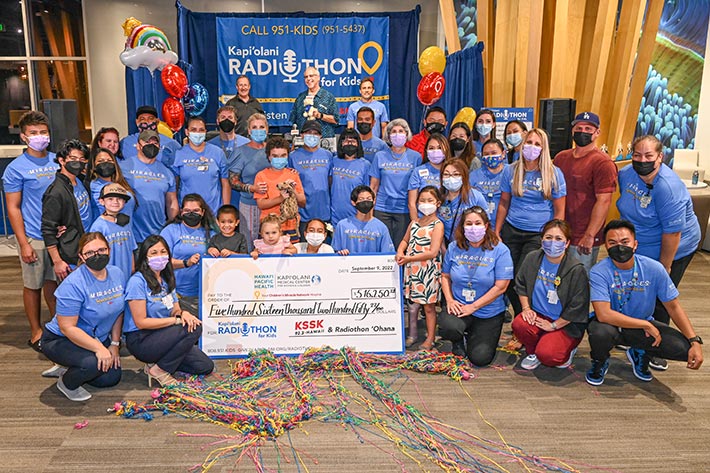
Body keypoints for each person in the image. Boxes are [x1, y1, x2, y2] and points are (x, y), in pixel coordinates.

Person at [617, 134, 701, 371]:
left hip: (673, 247)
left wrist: (664, 266)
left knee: (660, 298)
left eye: (648, 156)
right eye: (637, 155)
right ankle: (633, 334)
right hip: (640, 244)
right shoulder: (627, 174)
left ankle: (654, 348)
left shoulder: (668, 187)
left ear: (660, 157)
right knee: (636, 290)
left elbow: (672, 234)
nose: (642, 160)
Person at [585, 220, 703, 386]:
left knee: (682, 348)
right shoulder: (599, 271)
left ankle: (640, 353)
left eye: (625, 242)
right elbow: (604, 314)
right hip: (611, 324)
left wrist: (694, 341)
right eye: (612, 243)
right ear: (606, 246)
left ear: (635, 245)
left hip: (642, 325)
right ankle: (600, 361)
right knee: (599, 333)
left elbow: (674, 306)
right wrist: (645, 325)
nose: (620, 247)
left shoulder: (654, 269)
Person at [40, 232, 124, 401]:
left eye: (102, 250)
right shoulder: (73, 284)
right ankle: (66, 383)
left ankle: (70, 365)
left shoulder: (117, 273)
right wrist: (99, 348)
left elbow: (118, 311)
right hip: (60, 339)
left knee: (110, 377)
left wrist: (114, 344)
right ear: (81, 256)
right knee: (92, 365)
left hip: (96, 336)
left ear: (109, 250)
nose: (97, 255)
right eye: (90, 253)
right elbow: (67, 327)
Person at [124, 235, 214, 387]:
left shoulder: (166, 279)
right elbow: (141, 322)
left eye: (163, 252)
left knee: (204, 366)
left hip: (164, 335)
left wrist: (183, 314)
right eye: (154, 253)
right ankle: (160, 370)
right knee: (194, 328)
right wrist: (176, 321)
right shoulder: (137, 282)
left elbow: (175, 309)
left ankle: (157, 363)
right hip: (141, 339)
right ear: (145, 257)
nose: (159, 256)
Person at [2, 111, 58, 351]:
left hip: (58, 236)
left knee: (54, 284)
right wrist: (23, 243)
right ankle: (36, 330)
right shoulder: (16, 169)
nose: (39, 137)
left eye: (43, 132)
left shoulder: (58, 161)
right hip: (33, 237)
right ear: (24, 136)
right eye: (33, 133)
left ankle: (58, 326)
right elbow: (13, 208)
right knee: (33, 285)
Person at [495, 128, 566, 315]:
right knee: (506, 276)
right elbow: (503, 202)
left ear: (544, 149)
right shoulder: (510, 170)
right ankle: (523, 318)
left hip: (538, 234)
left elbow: (559, 210)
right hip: (511, 230)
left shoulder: (554, 173)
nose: (531, 147)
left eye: (536, 144)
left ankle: (526, 319)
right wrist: (496, 231)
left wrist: (555, 238)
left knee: (523, 277)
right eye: (528, 142)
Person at [439, 206, 514, 366]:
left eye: (478, 223)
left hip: (488, 311)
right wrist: (450, 301)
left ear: (486, 226)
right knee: (448, 327)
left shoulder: (500, 250)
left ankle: (475, 334)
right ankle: (457, 340)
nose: (473, 228)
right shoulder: (454, 247)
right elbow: (445, 277)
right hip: (459, 306)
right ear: (462, 226)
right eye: (469, 223)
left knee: (480, 359)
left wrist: (473, 307)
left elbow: (501, 287)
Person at [512, 219, 589, 370]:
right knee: (519, 324)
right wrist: (526, 308)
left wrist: (554, 326)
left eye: (558, 239)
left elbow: (577, 306)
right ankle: (534, 351)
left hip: (564, 322)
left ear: (567, 243)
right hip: (539, 315)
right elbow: (520, 284)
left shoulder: (576, 269)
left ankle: (567, 348)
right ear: (541, 240)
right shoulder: (532, 258)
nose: (552, 242)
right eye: (548, 238)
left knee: (550, 356)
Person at [553, 112, 618, 273]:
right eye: (579, 128)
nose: (583, 132)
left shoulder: (603, 163)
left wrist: (590, 235)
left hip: (583, 236)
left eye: (588, 128)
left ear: (597, 133)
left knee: (579, 279)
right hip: (561, 232)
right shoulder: (561, 158)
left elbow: (604, 201)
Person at [397, 186, 444, 350]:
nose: (426, 204)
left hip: (428, 271)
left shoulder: (437, 225)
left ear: (438, 203)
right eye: (422, 200)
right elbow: (405, 240)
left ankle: (430, 338)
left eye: (430, 200)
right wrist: (400, 250)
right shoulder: (414, 222)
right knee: (412, 304)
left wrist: (409, 258)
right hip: (412, 271)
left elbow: (433, 252)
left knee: (429, 307)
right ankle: (412, 334)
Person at [42, 139, 92, 282]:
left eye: (82, 159)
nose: (78, 162)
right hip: (70, 254)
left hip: (86, 247)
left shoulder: (81, 180)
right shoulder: (55, 192)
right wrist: (57, 261)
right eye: (73, 158)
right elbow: (48, 229)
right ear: (62, 160)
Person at [370, 119, 422, 246]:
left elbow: (418, 187)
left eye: (401, 131)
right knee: (382, 246)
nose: (397, 134)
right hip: (382, 208)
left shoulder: (416, 157)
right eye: (393, 131)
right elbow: (373, 186)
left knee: (401, 247)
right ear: (388, 135)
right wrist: (370, 212)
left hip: (404, 210)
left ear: (407, 134)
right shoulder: (380, 156)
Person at [160, 194, 213, 317]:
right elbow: (161, 261)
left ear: (203, 212)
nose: (191, 214)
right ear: (181, 211)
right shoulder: (170, 230)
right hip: (175, 294)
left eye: (196, 211)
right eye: (187, 210)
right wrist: (185, 263)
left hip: (204, 295)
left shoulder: (212, 234)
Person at [122, 129, 179, 244]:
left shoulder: (167, 173)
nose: (151, 145)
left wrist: (171, 227)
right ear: (138, 146)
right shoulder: (123, 167)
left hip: (158, 235)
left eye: (155, 143)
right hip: (132, 236)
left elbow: (172, 202)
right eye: (147, 142)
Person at [229, 113, 271, 251]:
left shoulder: (273, 149)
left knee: (272, 243)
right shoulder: (241, 152)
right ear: (249, 130)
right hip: (250, 205)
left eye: (261, 127)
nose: (258, 130)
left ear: (267, 129)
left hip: (274, 204)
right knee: (250, 245)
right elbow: (232, 181)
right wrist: (251, 188)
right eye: (254, 127)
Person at [172, 116, 230, 215]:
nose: (197, 133)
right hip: (189, 213)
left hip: (213, 212)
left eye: (201, 130)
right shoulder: (178, 155)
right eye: (194, 130)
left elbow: (225, 184)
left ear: (205, 132)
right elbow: (174, 188)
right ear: (187, 132)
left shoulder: (217, 153)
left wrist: (225, 211)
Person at [253, 136, 306, 243]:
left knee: (290, 255)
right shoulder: (261, 175)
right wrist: (281, 198)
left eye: (283, 155)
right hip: (269, 228)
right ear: (268, 157)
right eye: (275, 156)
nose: (279, 158)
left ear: (287, 156)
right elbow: (261, 204)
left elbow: (302, 202)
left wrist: (293, 190)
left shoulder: (293, 174)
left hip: (290, 226)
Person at [289, 120, 332, 237]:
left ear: (320, 136)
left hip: (324, 211)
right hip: (303, 213)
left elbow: (330, 181)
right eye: (308, 133)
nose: (312, 136)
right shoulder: (293, 156)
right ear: (302, 135)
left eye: (315, 133)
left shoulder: (328, 155)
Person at [89, 183, 137, 285]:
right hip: (108, 275)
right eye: (110, 199)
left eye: (119, 199)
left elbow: (131, 247)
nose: (115, 202)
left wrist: (132, 267)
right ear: (101, 201)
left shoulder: (126, 223)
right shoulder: (98, 226)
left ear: (124, 202)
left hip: (127, 273)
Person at [207, 105, 250, 209]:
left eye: (230, 118)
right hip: (217, 198)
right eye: (223, 117)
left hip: (242, 197)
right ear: (217, 121)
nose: (226, 120)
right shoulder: (209, 146)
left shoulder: (247, 143)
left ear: (235, 121)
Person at [332, 185, 395, 255]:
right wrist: (340, 252)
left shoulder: (382, 228)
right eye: (361, 199)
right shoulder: (342, 225)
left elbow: (388, 254)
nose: (365, 202)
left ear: (374, 201)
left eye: (368, 199)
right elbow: (335, 251)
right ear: (353, 202)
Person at [438, 158, 487, 246]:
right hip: (442, 244)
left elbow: (486, 222)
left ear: (464, 176)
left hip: (469, 244)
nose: (451, 178)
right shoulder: (438, 197)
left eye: (456, 174)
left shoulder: (475, 196)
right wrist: (442, 247)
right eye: (446, 174)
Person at [330, 128, 370, 226]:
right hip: (335, 216)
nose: (349, 143)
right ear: (341, 143)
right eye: (346, 140)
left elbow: (368, 193)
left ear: (358, 144)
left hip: (356, 216)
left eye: (353, 141)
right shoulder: (334, 160)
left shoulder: (365, 165)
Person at [407, 133, 449, 222]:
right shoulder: (418, 171)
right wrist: (416, 225)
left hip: (447, 221)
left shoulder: (452, 171)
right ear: (426, 150)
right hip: (423, 221)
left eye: (439, 148)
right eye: (431, 148)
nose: (435, 151)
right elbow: (412, 203)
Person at [289, 66, 340, 139]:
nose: (308, 79)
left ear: (318, 78)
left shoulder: (328, 97)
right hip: (304, 143)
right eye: (306, 77)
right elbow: (293, 121)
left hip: (324, 141)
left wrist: (320, 115)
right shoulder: (300, 98)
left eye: (311, 76)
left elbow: (336, 120)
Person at [87, 148, 136, 222]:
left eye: (109, 161)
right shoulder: (94, 187)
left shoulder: (121, 182)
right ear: (94, 165)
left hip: (127, 230)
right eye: (101, 161)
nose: (106, 163)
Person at [469, 139, 509, 229]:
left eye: (494, 153)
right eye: (486, 154)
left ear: (503, 154)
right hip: (480, 225)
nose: (490, 157)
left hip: (506, 226)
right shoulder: (473, 176)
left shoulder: (511, 172)